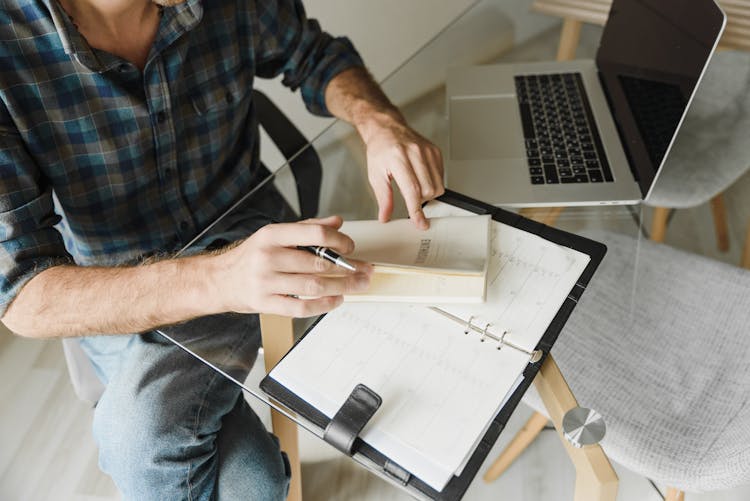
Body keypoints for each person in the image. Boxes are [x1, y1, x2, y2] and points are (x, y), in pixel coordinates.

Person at [0, 0, 444, 499]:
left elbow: (315, 55)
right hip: (117, 286)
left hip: (246, 231)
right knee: (246, 482)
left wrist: (378, 120)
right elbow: (22, 296)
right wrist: (218, 280)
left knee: (140, 438)